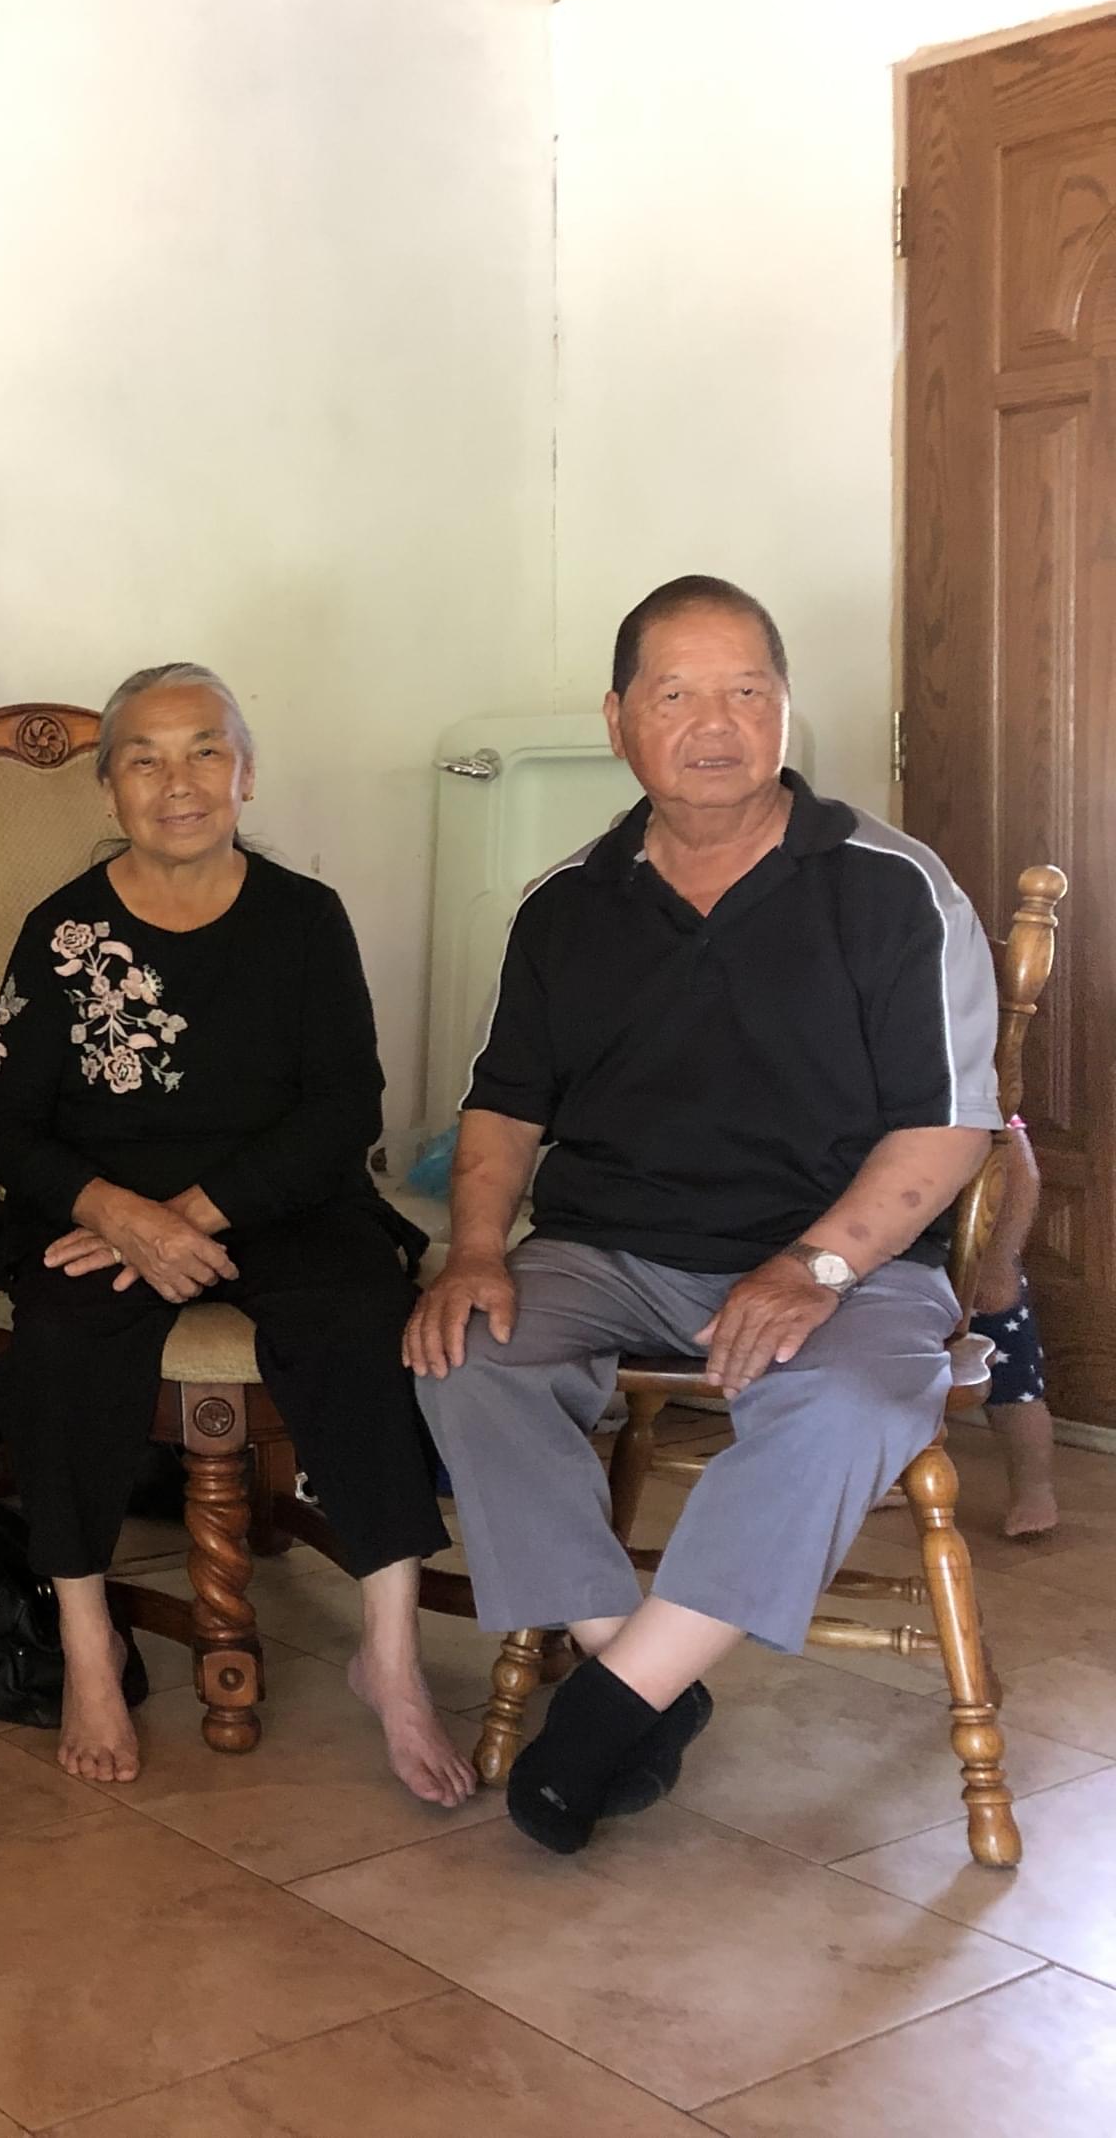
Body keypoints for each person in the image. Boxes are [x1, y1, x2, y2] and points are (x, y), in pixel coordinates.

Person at [409, 575, 998, 1856]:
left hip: (844, 1256)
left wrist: (815, 1265)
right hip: (609, 1249)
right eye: (677, 694)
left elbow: (952, 1125)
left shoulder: (894, 887)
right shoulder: (566, 904)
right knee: (462, 1352)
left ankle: (606, 1706)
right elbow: (503, 1107)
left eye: (747, 691)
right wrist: (472, 1252)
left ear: (786, 710)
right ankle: (645, 1681)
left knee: (856, 1401)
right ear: (619, 719)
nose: (716, 724)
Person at [0, 665, 470, 1802]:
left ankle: (390, 1657)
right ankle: (87, 1644)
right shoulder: (63, 932)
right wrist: (119, 1214)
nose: (178, 781)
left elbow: (345, 1107)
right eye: (143, 759)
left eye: (205, 751)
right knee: (59, 1340)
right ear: (110, 791)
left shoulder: (305, 919)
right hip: (105, 1211)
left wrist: (190, 1217)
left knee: (361, 1319)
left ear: (246, 774)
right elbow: (6, 1123)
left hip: (280, 1203)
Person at [970, 1120, 1057, 1539]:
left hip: (977, 1267)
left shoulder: (987, 1099)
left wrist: (999, 1261)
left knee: (1015, 1392)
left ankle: (1033, 1490)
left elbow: (1022, 1178)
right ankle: (886, 1477)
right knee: (896, 1385)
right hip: (892, 1263)